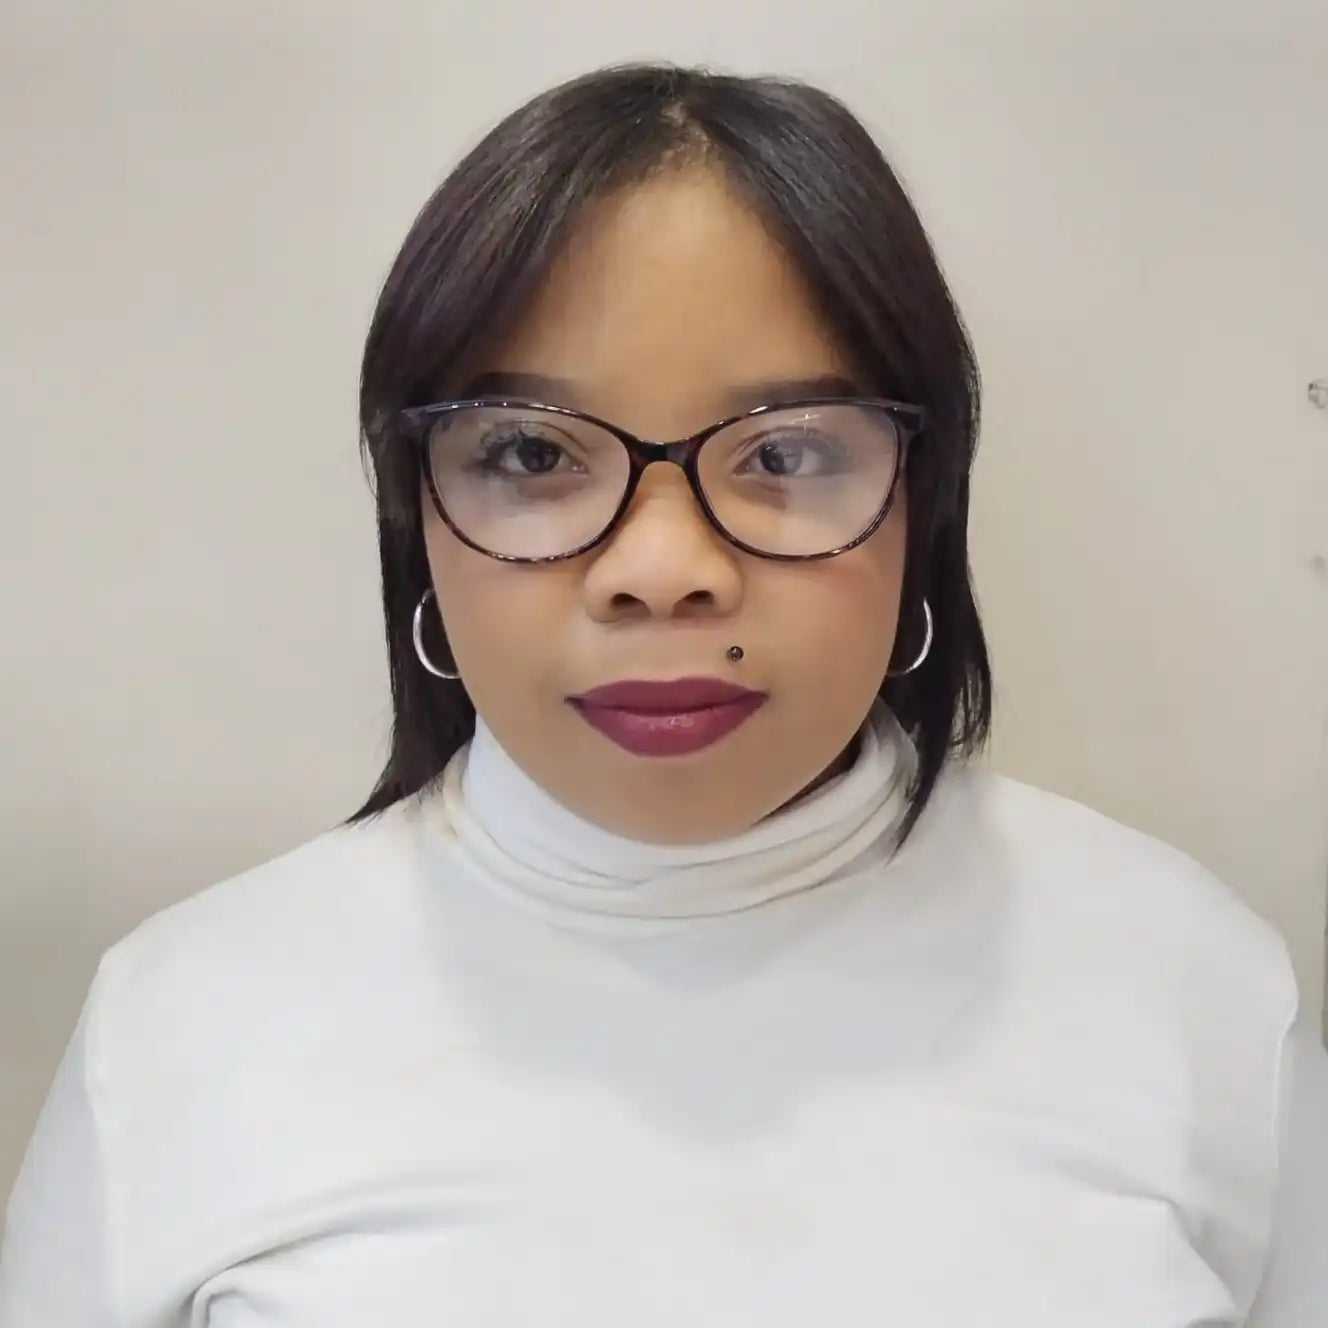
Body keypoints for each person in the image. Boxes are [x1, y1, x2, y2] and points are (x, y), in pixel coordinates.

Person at [1, 63, 1324, 1327]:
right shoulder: (180, 1023)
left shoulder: (1186, 984)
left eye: (788, 452)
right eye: (530, 452)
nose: (663, 571)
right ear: (418, 518)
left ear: (926, 501)